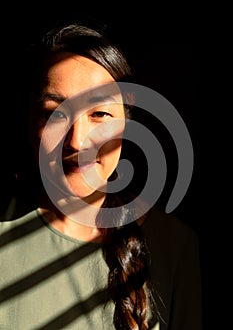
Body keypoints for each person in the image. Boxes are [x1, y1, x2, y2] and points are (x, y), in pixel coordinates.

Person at [0, 20, 202, 329]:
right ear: (30, 123)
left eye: (99, 114)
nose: (77, 141)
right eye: (55, 113)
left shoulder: (174, 245)